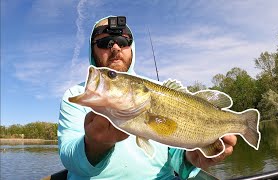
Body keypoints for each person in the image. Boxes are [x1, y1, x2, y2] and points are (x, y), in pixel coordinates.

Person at [58, 16, 237, 180]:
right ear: (92, 49)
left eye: (123, 41)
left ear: (131, 47)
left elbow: (174, 153)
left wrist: (190, 158)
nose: (115, 48)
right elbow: (68, 157)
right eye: (105, 42)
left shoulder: (157, 90)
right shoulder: (75, 95)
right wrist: (96, 145)